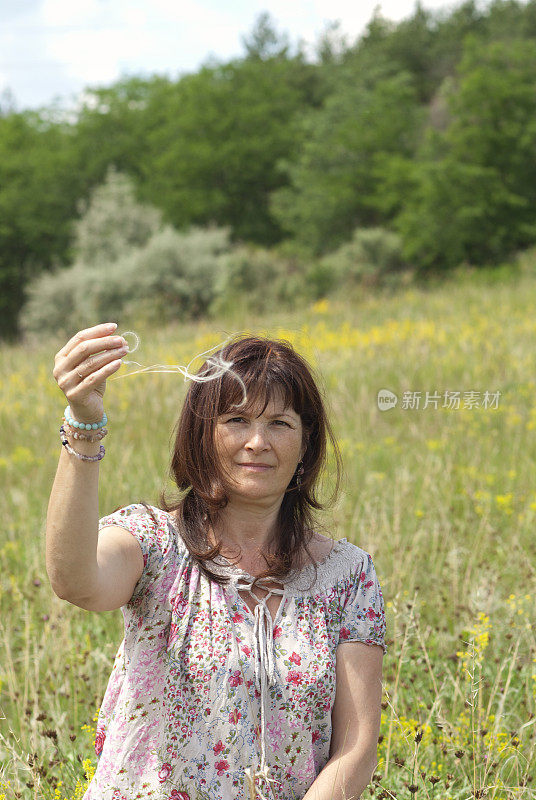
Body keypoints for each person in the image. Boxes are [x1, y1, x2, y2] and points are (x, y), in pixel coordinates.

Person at [46, 322, 387, 800]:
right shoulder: (153, 541)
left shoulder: (347, 576)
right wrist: (83, 424)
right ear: (202, 435)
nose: (257, 442)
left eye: (280, 424)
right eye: (236, 420)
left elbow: (355, 747)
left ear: (307, 445)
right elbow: (75, 580)